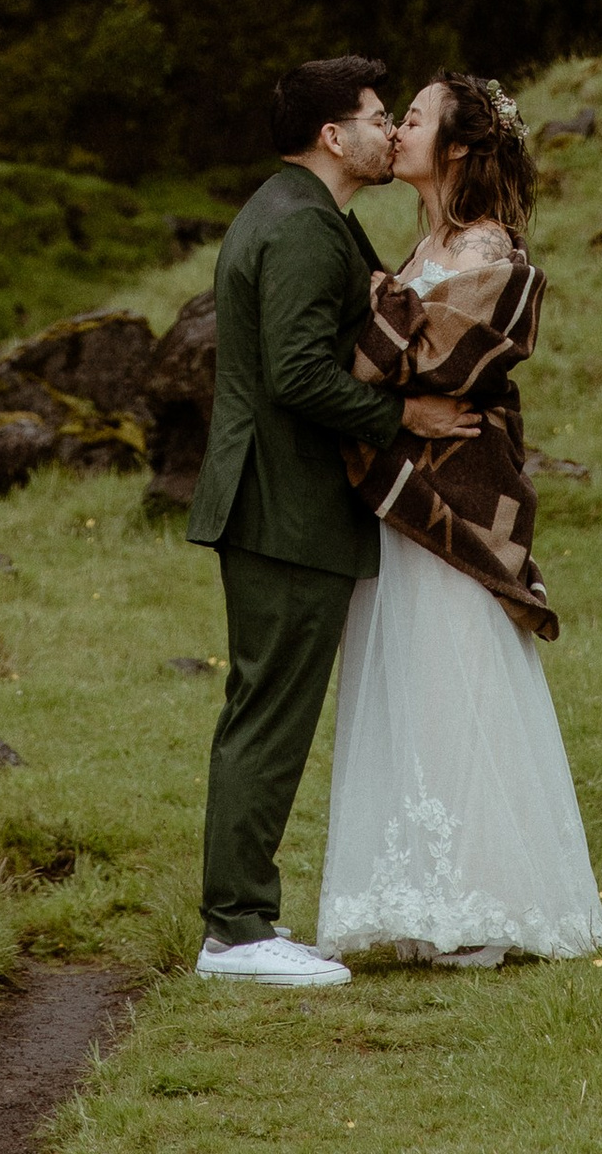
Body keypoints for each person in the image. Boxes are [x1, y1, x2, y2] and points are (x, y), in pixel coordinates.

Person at [188, 55, 481, 988]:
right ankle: (237, 931)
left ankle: (242, 922)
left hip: (280, 502)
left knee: (264, 707)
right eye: (376, 114)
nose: (390, 128)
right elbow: (297, 375)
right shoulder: (305, 228)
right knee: (268, 715)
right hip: (282, 505)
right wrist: (408, 415)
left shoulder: (301, 213)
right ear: (333, 135)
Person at [315, 72, 602, 966]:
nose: (396, 128)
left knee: (459, 679)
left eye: (412, 116)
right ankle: (420, 896)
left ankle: (483, 902)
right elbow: (394, 355)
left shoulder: (496, 255)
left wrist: (380, 328)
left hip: (456, 500)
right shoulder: (420, 252)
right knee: (409, 679)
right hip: (404, 502)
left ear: (451, 147)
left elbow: (426, 359)